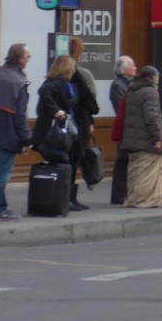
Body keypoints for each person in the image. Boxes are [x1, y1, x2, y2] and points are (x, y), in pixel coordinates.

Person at [33, 54, 87, 210]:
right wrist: (56, 111)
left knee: (68, 162)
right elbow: (44, 91)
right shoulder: (57, 82)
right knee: (64, 162)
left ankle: (68, 198)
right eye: (72, 67)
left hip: (62, 130)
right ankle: (63, 198)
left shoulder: (65, 83)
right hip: (53, 133)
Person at [0, 43, 32, 221]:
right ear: (21, 59)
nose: (29, 59)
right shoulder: (18, 82)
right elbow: (20, 116)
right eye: (28, 56)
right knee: (2, 174)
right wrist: (26, 139)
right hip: (8, 133)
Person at [121, 65, 162, 208]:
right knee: (148, 171)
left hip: (133, 137)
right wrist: (157, 138)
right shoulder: (151, 92)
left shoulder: (132, 90)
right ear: (154, 78)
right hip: (146, 139)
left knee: (135, 170)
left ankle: (133, 198)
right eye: (157, 78)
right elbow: (152, 117)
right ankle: (145, 200)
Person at [67, 37, 100, 201]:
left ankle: (70, 197)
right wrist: (92, 118)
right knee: (74, 158)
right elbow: (89, 100)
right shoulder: (79, 74)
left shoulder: (69, 72)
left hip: (74, 121)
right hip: (78, 121)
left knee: (73, 158)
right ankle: (69, 198)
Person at [108, 55, 136, 205]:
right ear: (124, 69)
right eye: (132, 65)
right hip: (124, 129)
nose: (135, 68)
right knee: (122, 161)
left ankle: (126, 193)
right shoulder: (117, 85)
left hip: (131, 128)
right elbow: (122, 108)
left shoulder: (130, 84)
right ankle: (118, 196)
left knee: (127, 161)